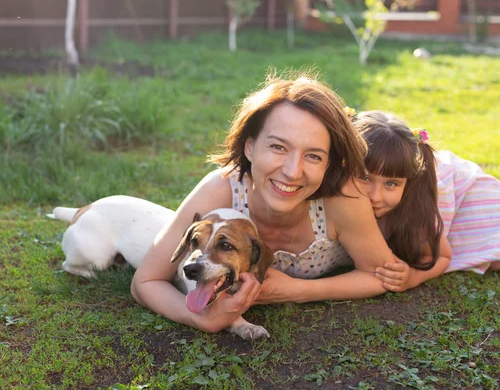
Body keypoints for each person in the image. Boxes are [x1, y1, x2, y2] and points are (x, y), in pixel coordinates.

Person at [131, 74, 396, 334]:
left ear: (329, 164)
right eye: (278, 147)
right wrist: (201, 319)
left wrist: (299, 290)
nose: (293, 172)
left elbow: (380, 275)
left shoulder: (343, 199)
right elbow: (146, 280)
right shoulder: (220, 190)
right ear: (249, 147)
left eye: (314, 156)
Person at [352, 110, 500, 293]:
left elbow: (443, 256)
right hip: (450, 222)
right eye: (365, 178)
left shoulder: (417, 206)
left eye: (390, 184)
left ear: (407, 183)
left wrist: (413, 278)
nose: (375, 196)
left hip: (468, 196)